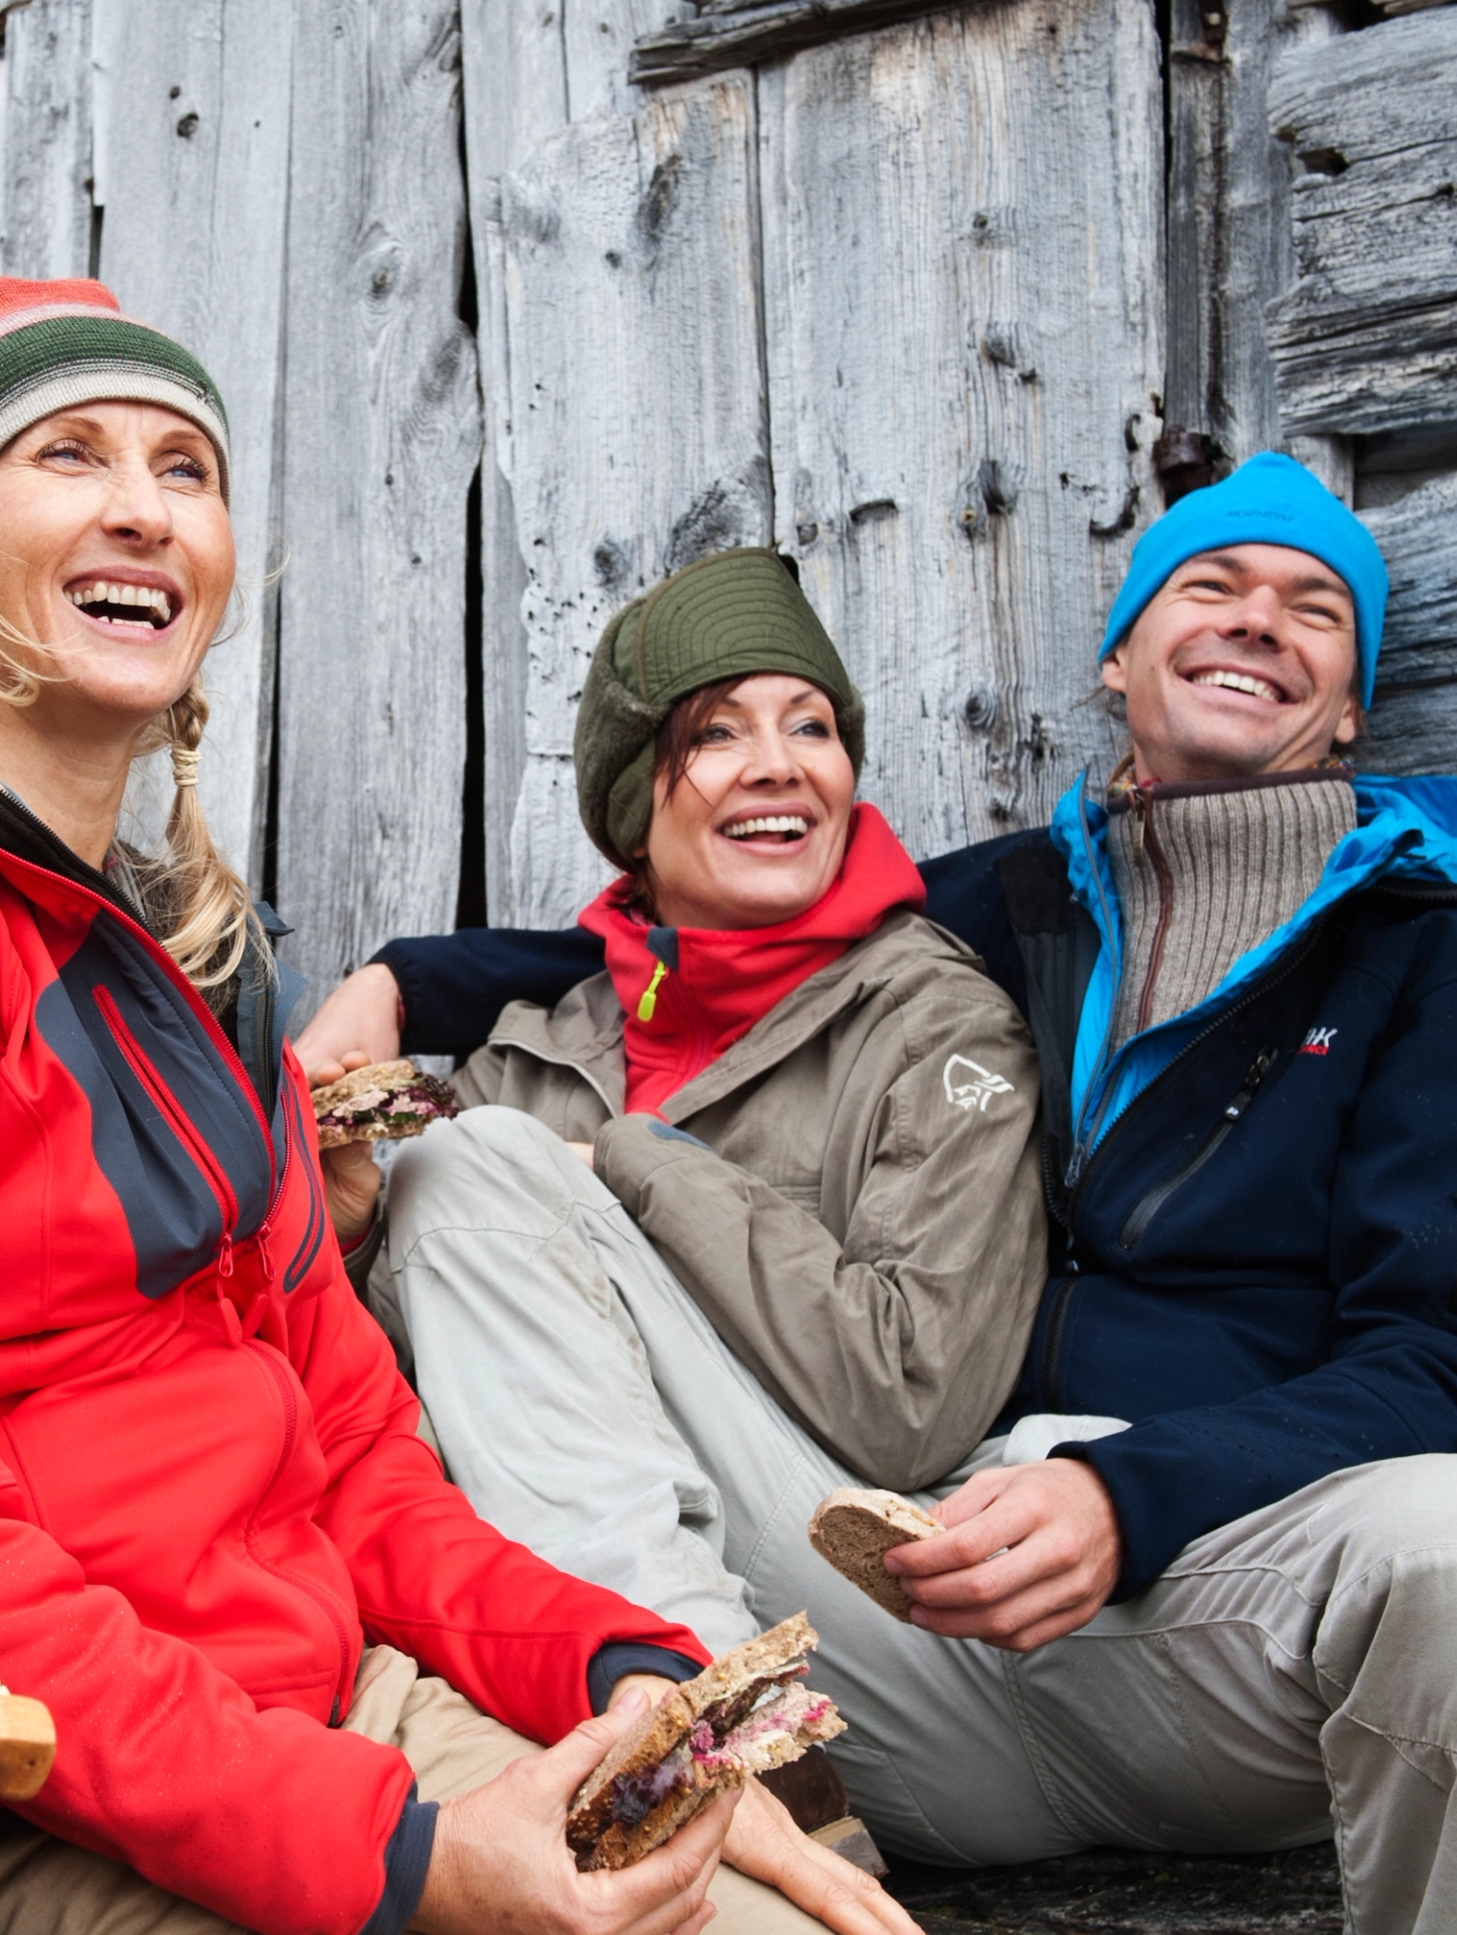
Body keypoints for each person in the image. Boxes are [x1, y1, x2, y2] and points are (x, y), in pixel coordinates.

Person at [0, 280, 914, 1935]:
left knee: (802, 1907)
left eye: (187, 467)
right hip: (59, 1794)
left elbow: (357, 1454)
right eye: (66, 457)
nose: (141, 507)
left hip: (330, 1716)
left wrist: (625, 1671)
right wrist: (404, 1865)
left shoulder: (186, 978)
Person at [315, 455, 1457, 1935]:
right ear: (1120, 659)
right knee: (475, 1163)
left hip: (1224, 1618)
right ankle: (718, 1780)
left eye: (1313, 609)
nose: (1259, 620)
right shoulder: (1021, 904)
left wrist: (1129, 1498)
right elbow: (701, 925)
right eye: (1210, 586)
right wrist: (401, 981)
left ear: (1348, 707)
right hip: (904, 1603)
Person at [317, 547, 1056, 1702]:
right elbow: (409, 1416)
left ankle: (700, 1717)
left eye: (811, 728)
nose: (778, 768)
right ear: (631, 805)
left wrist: (630, 1164)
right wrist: (358, 1239)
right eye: (715, 734)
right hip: (561, 1627)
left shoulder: (942, 1029)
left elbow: (909, 1399)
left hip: (845, 1607)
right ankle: (664, 1710)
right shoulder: (532, 1050)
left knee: (477, 1167)